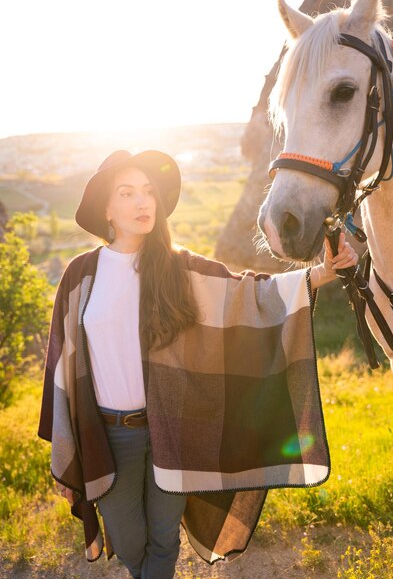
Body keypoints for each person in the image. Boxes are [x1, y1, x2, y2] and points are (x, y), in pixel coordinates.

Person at [38, 149, 358, 579]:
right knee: (129, 539)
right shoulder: (81, 275)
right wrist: (67, 448)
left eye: (149, 192)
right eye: (127, 193)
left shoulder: (179, 268)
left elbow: (250, 295)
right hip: (110, 435)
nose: (142, 202)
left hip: (175, 428)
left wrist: (319, 274)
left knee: (165, 537)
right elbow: (61, 369)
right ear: (107, 209)